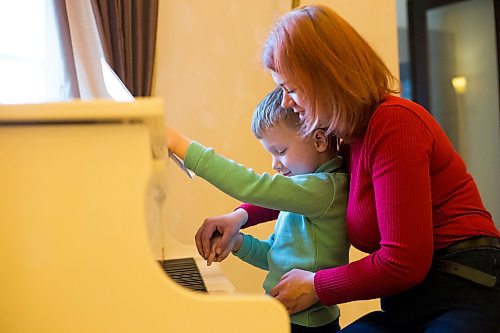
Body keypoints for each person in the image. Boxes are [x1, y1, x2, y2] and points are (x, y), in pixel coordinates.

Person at [194, 4, 500, 332]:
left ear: (326, 76)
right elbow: (302, 191)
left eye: (291, 89)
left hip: (463, 287)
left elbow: (404, 262)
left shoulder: (393, 123)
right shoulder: (349, 135)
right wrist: (240, 217)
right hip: (408, 302)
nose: (286, 102)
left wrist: (316, 286)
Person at [167, 88, 350, 332]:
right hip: (285, 317)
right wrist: (239, 243)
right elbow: (274, 257)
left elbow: (250, 186)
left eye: (281, 151)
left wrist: (179, 144)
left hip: (305, 325)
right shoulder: (306, 195)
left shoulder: (325, 190)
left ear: (319, 140)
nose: (275, 164)